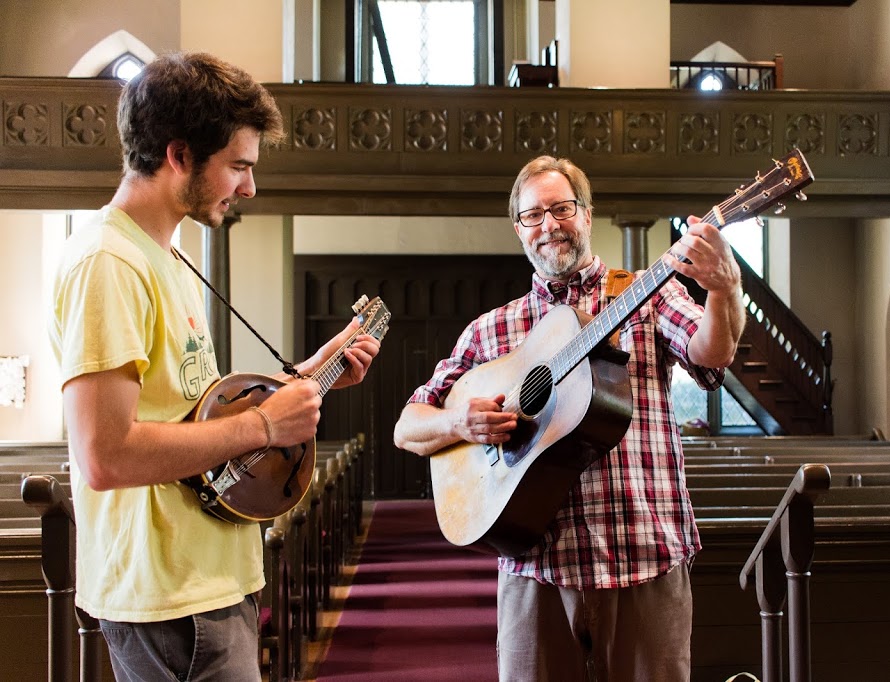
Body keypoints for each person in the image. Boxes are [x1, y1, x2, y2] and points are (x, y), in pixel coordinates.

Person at [49, 52, 380, 681]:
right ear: (179, 155)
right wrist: (263, 427)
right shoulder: (109, 263)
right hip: (169, 599)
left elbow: (185, 412)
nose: (249, 188)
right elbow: (105, 456)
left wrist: (310, 374)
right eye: (239, 166)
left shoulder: (167, 258)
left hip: (204, 585)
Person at [393, 155, 745, 680]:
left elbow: (711, 352)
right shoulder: (490, 331)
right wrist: (457, 425)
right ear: (518, 229)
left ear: (586, 214)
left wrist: (723, 289)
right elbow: (406, 426)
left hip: (642, 554)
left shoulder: (647, 294)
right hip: (536, 567)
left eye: (562, 208)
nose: (549, 225)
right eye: (533, 215)